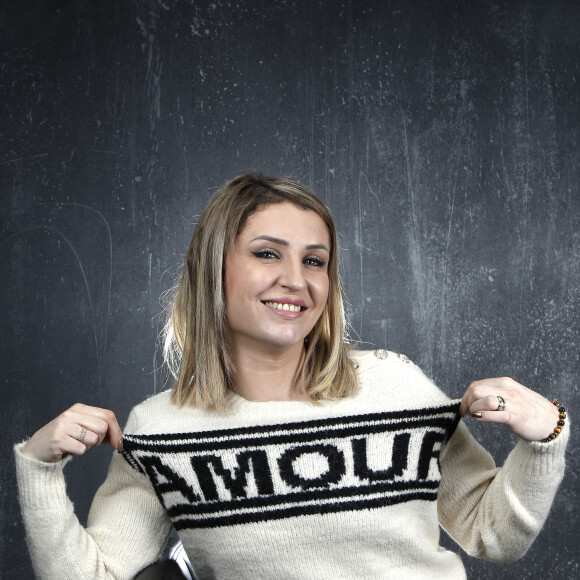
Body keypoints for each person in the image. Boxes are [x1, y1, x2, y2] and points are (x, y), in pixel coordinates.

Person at [15, 172, 568, 579]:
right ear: (214, 270)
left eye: (314, 261)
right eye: (266, 253)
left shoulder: (395, 386)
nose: (295, 280)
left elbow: (492, 532)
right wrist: (39, 469)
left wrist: (544, 438)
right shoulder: (161, 429)